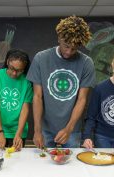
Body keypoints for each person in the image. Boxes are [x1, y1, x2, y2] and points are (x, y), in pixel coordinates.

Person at [27, 15, 96, 148]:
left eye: (74, 48)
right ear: (59, 38)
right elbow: (37, 96)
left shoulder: (87, 63)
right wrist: (37, 130)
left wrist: (69, 128)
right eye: (66, 46)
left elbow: (82, 99)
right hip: (45, 128)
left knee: (70, 166)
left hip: (72, 129)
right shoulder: (41, 58)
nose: (69, 52)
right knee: (43, 164)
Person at [0, 49, 33, 151]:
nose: (14, 73)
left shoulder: (27, 82)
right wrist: (0, 132)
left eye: (19, 70)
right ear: (7, 62)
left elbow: (25, 109)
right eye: (12, 68)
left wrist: (19, 134)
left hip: (19, 130)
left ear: (24, 68)